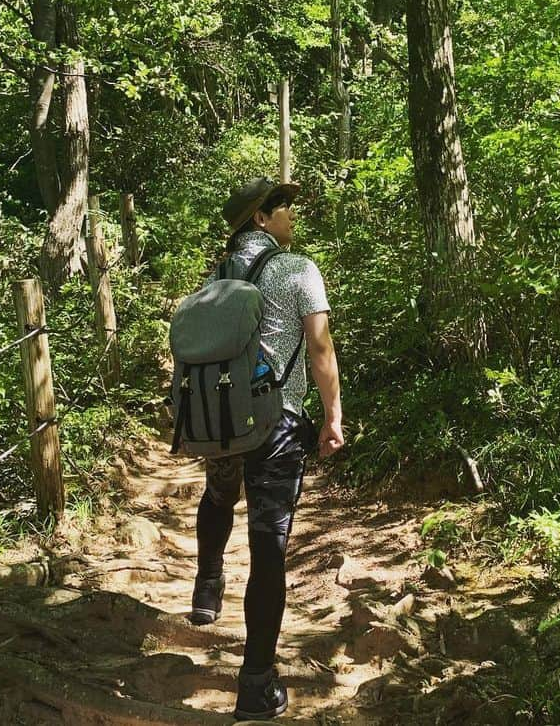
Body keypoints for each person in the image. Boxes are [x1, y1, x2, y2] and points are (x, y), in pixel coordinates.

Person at [190, 176, 344, 722]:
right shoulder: (297, 268)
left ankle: (207, 587)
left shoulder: (215, 276)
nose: (290, 216)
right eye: (281, 207)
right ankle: (255, 684)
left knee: (218, 492)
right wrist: (333, 415)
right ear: (260, 219)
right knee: (268, 543)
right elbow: (320, 348)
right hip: (276, 423)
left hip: (220, 422)